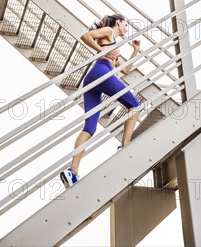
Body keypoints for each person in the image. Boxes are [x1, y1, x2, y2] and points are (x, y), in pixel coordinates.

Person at [60, 14, 141, 189]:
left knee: (90, 128)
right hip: (101, 72)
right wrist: (102, 50)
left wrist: (135, 51)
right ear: (118, 23)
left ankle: (72, 172)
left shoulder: (115, 46)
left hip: (92, 79)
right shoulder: (108, 32)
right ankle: (125, 145)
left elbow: (125, 70)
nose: (126, 29)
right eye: (125, 25)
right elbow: (85, 36)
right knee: (135, 105)